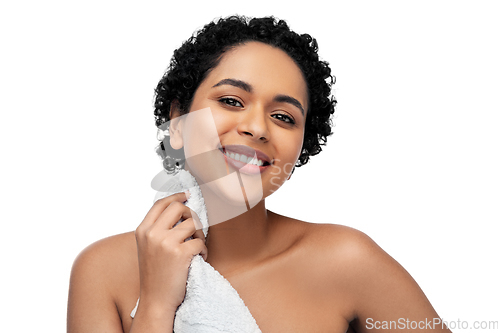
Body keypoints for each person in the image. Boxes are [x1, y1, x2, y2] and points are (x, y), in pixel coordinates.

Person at [67, 16, 451, 332]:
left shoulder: (346, 261)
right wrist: (154, 305)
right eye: (231, 101)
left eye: (283, 117)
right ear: (179, 121)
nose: (257, 128)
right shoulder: (101, 271)